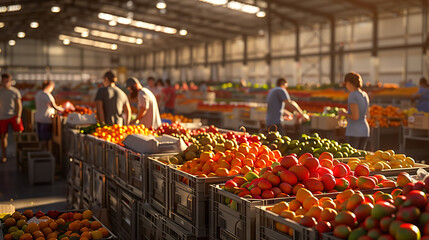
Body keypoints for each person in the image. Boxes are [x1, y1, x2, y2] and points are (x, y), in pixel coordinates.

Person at [338, 72, 370, 150]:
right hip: (365, 130)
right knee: (361, 158)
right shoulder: (364, 94)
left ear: (348, 83)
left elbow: (355, 117)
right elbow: (368, 115)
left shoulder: (352, 95)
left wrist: (343, 113)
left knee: (353, 158)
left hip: (354, 131)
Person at [0, 73, 24, 163]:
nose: (6, 83)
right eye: (4, 81)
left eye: (7, 81)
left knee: (19, 135)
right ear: (2, 81)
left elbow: (19, 105)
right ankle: (4, 155)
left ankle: (19, 154)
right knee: (3, 136)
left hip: (13, 115)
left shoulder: (15, 91)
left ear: (10, 82)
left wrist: (18, 116)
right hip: (2, 116)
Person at [35, 80, 64, 150]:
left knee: (41, 139)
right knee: (45, 139)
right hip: (46, 119)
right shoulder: (47, 95)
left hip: (38, 118)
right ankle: (43, 154)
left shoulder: (38, 94)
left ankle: (40, 153)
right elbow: (53, 106)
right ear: (49, 86)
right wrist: (63, 109)